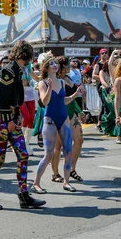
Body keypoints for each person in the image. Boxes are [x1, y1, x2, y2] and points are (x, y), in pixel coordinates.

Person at [0, 40, 45, 210]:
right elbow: (2, 97)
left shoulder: (17, 71)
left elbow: (16, 99)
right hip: (2, 120)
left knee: (23, 155)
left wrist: (15, 118)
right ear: (25, 56)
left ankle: (24, 195)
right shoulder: (9, 71)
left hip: (10, 119)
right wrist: (10, 120)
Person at [32, 56, 83, 193]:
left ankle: (66, 182)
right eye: (51, 64)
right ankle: (36, 183)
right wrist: (49, 89)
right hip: (50, 120)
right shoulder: (43, 83)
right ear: (46, 67)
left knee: (68, 151)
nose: (54, 65)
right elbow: (45, 101)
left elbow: (63, 100)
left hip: (64, 118)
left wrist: (74, 95)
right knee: (49, 154)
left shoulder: (61, 82)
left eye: (55, 63)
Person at [51, 57, 85, 182]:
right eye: (67, 66)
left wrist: (79, 111)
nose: (69, 67)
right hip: (60, 114)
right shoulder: (56, 80)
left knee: (79, 140)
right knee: (58, 146)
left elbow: (72, 98)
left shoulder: (68, 78)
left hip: (71, 113)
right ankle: (55, 173)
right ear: (62, 67)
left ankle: (71, 169)